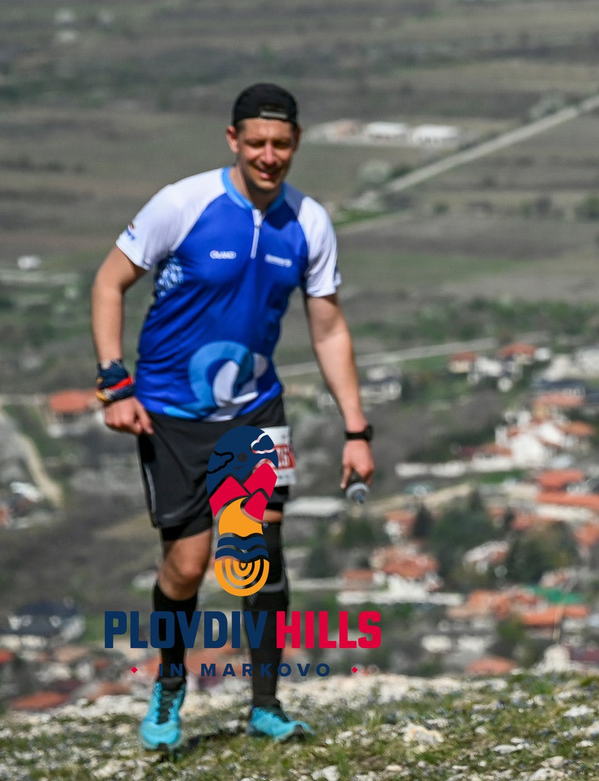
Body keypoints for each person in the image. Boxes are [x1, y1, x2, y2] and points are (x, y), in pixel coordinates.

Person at [89, 82, 376, 750]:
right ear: (233, 141)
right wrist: (114, 382)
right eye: (256, 143)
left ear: (296, 143)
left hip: (253, 410)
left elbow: (328, 329)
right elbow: (109, 282)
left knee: (258, 554)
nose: (269, 156)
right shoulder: (182, 204)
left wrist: (357, 430)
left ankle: (266, 704)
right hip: (172, 414)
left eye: (281, 143)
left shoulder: (309, 222)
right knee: (187, 566)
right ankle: (168, 687)